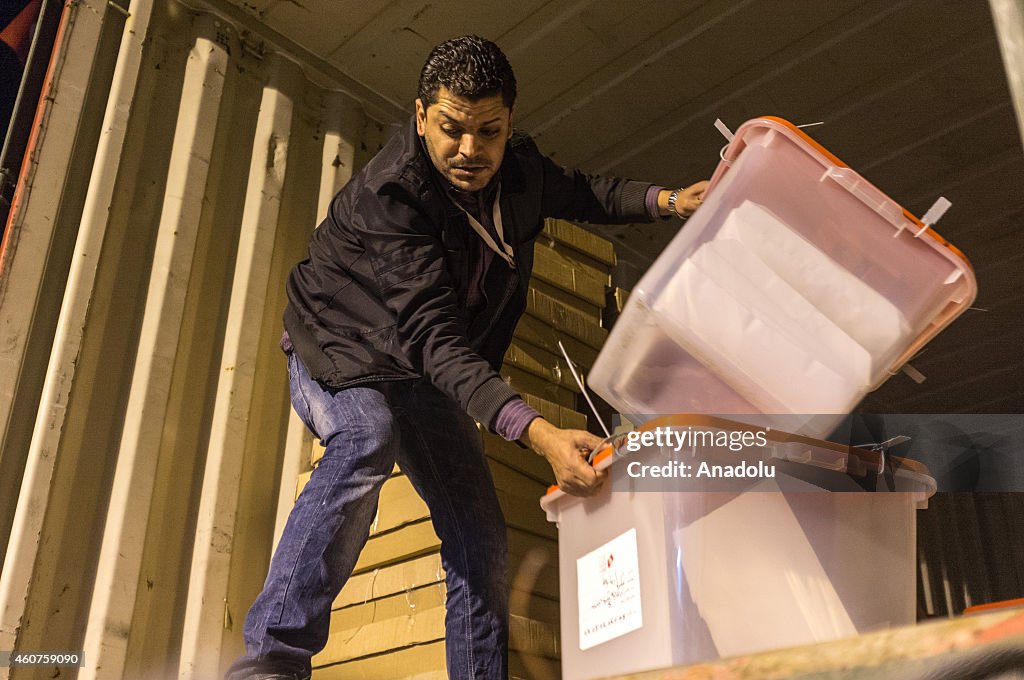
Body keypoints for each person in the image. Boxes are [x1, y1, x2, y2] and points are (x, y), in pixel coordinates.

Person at [226, 35, 707, 680]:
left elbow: (587, 191)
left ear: (509, 124)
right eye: (452, 129)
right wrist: (538, 435)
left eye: (490, 132)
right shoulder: (391, 198)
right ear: (422, 115)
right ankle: (272, 662)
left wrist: (672, 202)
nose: (470, 151)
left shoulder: (520, 171)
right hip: (342, 346)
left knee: (479, 534)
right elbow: (436, 339)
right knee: (367, 433)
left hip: (419, 367)